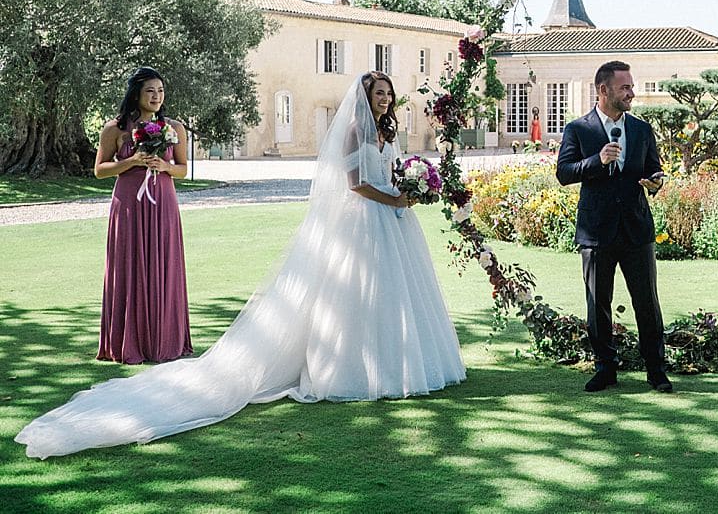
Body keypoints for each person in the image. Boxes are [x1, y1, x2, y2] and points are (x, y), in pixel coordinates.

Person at [16, 72, 465, 459]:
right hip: (366, 219)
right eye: (377, 94)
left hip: (394, 221)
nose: (383, 100)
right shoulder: (351, 132)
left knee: (393, 293)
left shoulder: (389, 132)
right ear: (364, 98)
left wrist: (411, 186)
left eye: (388, 93)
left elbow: (387, 172)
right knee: (355, 294)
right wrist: (395, 197)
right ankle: (350, 369)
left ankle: (397, 363)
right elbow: (355, 183)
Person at [556, 60, 670, 393]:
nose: (632, 93)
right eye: (625, 88)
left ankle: (656, 371)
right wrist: (597, 161)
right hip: (596, 231)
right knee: (598, 303)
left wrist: (656, 182)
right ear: (603, 90)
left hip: (636, 228)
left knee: (647, 302)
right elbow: (564, 173)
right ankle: (605, 369)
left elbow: (654, 169)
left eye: (631, 87)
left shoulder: (641, 129)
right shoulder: (579, 129)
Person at [95, 67, 193, 364]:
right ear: (136, 92)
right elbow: (99, 170)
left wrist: (164, 167)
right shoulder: (115, 128)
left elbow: (182, 169)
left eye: (161, 91)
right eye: (150, 91)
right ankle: (128, 342)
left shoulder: (174, 127)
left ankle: (163, 340)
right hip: (127, 205)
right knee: (129, 264)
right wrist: (133, 160)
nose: (157, 96)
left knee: (162, 263)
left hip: (162, 202)